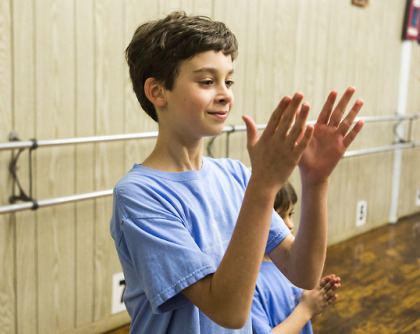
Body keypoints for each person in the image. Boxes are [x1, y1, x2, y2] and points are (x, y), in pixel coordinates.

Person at [110, 11, 364, 333]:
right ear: (158, 92)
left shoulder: (235, 175)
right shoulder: (139, 194)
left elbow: (303, 272)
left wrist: (316, 180)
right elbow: (228, 312)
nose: (225, 93)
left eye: (228, 81)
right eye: (207, 81)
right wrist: (264, 185)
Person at [251, 182, 341, 334]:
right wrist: (305, 309)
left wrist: (315, 303)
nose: (290, 225)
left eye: (290, 214)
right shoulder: (249, 281)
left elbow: (300, 322)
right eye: (279, 218)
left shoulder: (290, 265)